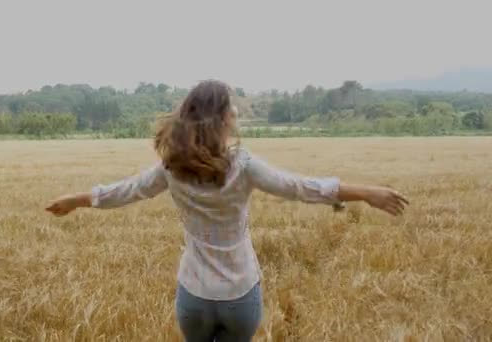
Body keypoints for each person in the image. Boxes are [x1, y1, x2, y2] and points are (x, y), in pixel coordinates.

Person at [45, 80, 409, 342]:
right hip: (239, 295)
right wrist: (365, 193)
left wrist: (75, 200)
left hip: (194, 297)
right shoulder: (243, 166)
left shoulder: (170, 169)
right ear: (221, 118)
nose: (236, 110)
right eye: (231, 105)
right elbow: (301, 187)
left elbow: (124, 192)